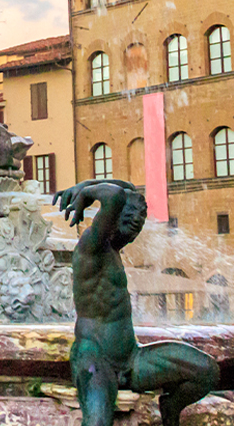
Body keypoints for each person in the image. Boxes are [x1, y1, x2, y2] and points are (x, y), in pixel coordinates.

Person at [53, 178, 218, 426]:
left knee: (206, 370)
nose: (134, 229)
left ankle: (170, 407)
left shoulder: (113, 250)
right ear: (110, 218)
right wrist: (85, 191)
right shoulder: (92, 245)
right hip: (96, 360)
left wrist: (89, 184)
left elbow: (126, 187)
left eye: (138, 225)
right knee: (97, 422)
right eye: (129, 221)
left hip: (132, 358)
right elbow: (116, 195)